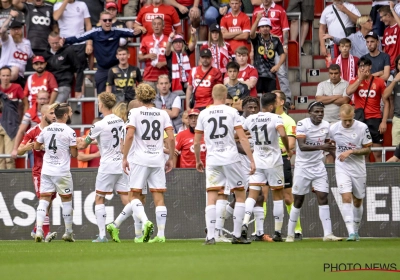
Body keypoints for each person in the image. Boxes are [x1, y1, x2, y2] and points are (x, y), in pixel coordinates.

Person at [194, 84, 255, 245]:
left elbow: (197, 141)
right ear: (225, 95)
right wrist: (252, 159)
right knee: (241, 194)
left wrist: (198, 160)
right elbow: (242, 138)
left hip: (212, 159)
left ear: (212, 95)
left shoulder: (203, 113)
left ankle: (210, 236)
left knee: (211, 197)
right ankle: (237, 235)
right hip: (231, 158)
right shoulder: (232, 112)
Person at [123, 83, 175, 243]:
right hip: (158, 159)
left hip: (140, 159)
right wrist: (171, 158)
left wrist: (124, 157)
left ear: (138, 97)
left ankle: (139, 234)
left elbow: (130, 136)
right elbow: (171, 138)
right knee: (159, 197)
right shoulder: (163, 114)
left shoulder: (135, 112)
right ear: (154, 96)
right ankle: (161, 235)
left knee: (135, 196)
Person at [76, 92, 129, 242]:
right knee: (127, 200)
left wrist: (72, 142)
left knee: (99, 198)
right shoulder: (120, 121)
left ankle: (102, 235)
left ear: (102, 105)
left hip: (107, 166)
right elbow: (115, 140)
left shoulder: (98, 124)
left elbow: (83, 144)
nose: (98, 105)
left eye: (99, 102)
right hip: (121, 164)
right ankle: (138, 230)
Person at [286, 101, 342, 242]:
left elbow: (328, 146)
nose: (319, 114)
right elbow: (302, 146)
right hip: (302, 167)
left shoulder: (326, 126)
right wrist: (322, 146)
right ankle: (290, 234)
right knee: (298, 200)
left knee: (323, 197)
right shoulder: (302, 124)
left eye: (321, 112)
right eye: (316, 112)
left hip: (318, 166)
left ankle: (328, 234)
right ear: (309, 112)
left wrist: (337, 159)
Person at [241, 92, 291, 243]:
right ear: (271, 106)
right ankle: (277, 232)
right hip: (274, 161)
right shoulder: (276, 118)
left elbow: (239, 133)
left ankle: (244, 224)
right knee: (277, 196)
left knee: (253, 195)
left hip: (258, 160)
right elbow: (282, 134)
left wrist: (248, 137)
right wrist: (288, 149)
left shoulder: (251, 118)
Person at [61, 11, 142, 94]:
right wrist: (65, 40)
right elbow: (79, 37)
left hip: (115, 68)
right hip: (102, 69)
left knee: (119, 96)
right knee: (102, 98)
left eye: (109, 20)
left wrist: (139, 31)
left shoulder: (117, 30)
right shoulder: (95, 32)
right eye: (105, 20)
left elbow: (133, 33)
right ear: (100, 21)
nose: (107, 22)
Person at [33, 102, 77, 242]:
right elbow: (74, 154)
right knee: (66, 200)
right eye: (69, 112)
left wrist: (46, 147)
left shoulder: (46, 130)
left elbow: (36, 146)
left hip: (47, 170)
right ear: (64, 115)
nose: (70, 114)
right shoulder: (69, 131)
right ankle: (68, 232)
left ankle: (39, 230)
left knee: (44, 200)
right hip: (62, 171)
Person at [329, 104, 372, 241]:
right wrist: (336, 154)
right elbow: (330, 144)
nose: (347, 123)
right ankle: (351, 233)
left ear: (353, 115)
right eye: (344, 120)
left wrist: (351, 151)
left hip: (358, 168)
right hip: (342, 167)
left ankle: (356, 229)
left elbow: (368, 149)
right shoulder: (334, 128)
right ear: (339, 116)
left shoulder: (362, 127)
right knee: (346, 197)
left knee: (358, 200)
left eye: (350, 120)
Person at [17, 104, 57, 242]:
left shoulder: (56, 130)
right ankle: (45, 233)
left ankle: (36, 228)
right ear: (44, 115)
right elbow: (19, 150)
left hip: (54, 171)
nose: (54, 115)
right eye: (51, 113)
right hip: (40, 171)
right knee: (44, 200)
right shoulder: (33, 131)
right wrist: (26, 147)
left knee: (49, 201)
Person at [272, 90, 303, 240]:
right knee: (261, 196)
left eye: (275, 98)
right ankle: (258, 232)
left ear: (282, 102)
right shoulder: (267, 118)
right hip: (266, 162)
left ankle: (296, 229)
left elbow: (290, 145)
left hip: (281, 160)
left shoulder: (289, 121)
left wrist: (279, 150)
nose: (272, 100)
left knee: (287, 197)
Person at [346, 57, 389, 162]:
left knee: (377, 152)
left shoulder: (379, 81)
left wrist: (383, 122)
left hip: (375, 119)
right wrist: (360, 79)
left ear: (370, 67)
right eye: (360, 66)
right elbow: (348, 92)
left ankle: (380, 176)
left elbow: (386, 103)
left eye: (365, 65)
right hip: (360, 120)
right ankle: (366, 177)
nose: (363, 68)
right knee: (363, 152)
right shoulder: (354, 81)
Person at [252, 0, 292, 103]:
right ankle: (259, 102)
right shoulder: (257, 11)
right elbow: (252, 32)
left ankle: (287, 99)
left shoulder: (280, 9)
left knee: (281, 71)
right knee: (259, 73)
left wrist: (285, 45)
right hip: (260, 45)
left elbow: (285, 29)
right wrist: (257, 20)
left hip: (275, 44)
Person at [53, 0, 92, 100]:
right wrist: (65, 2)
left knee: (79, 71)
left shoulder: (82, 4)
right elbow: (56, 17)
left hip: (80, 43)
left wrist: (89, 43)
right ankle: (64, 102)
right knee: (65, 72)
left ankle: (80, 100)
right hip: (64, 44)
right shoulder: (58, 5)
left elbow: (88, 25)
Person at [0, 66, 27, 169]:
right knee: (0, 159)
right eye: (3, 75)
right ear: (0, 76)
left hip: (11, 125)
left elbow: (26, 103)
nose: (5, 78)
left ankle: (11, 184)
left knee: (9, 159)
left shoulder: (17, 87)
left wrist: (23, 120)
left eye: (7, 75)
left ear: (11, 76)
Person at [250, 15, 285, 95]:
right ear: (259, 28)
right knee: (257, 97)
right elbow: (251, 34)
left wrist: (278, 65)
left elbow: (282, 54)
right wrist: (257, 19)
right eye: (262, 26)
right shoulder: (257, 38)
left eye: (267, 26)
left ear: (270, 28)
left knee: (270, 99)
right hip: (258, 74)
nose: (265, 28)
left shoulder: (275, 40)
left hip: (270, 74)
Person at [11, 90, 50, 161]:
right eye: (41, 99)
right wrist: (15, 149)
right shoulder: (29, 113)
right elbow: (21, 131)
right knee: (36, 168)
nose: (43, 101)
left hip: (50, 144)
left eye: (45, 99)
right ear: (37, 99)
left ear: (48, 100)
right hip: (34, 145)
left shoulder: (54, 113)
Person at [43, 32, 78, 103]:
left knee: (55, 105)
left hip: (64, 84)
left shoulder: (68, 50)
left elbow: (78, 68)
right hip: (50, 86)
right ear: (48, 41)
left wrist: (78, 88)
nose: (55, 45)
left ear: (60, 40)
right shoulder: (45, 54)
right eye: (52, 43)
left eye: (57, 42)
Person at [0, 11, 33, 85]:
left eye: (18, 29)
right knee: (15, 69)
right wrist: (10, 16)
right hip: (5, 72)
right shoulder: (8, 39)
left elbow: (32, 56)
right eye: (14, 29)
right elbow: (2, 31)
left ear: (21, 30)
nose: (16, 31)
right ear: (10, 31)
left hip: (20, 77)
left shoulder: (27, 43)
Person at [138, 17, 169, 90]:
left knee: (163, 101)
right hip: (148, 78)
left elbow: (175, 59)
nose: (156, 26)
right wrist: (147, 56)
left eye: (159, 24)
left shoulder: (168, 40)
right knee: (148, 101)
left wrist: (163, 63)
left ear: (163, 26)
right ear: (152, 26)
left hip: (164, 79)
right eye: (154, 24)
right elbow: (139, 58)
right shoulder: (145, 39)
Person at [165, 29, 197, 95]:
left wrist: (193, 35)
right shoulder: (170, 54)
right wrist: (170, 38)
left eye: (180, 42)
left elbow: (193, 44)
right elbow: (167, 49)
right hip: (173, 81)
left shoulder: (185, 52)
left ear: (182, 44)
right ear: (172, 44)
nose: (178, 44)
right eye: (176, 42)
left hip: (186, 81)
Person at [383, 54, 400, 146]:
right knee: (396, 150)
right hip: (398, 118)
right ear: (397, 65)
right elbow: (385, 95)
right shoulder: (392, 76)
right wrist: (395, 80)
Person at [380, 3, 400, 73]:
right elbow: (385, 49)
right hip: (389, 67)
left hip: (398, 66)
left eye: (382, 17)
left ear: (388, 15)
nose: (381, 20)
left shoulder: (398, 27)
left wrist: (392, 9)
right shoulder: (386, 30)